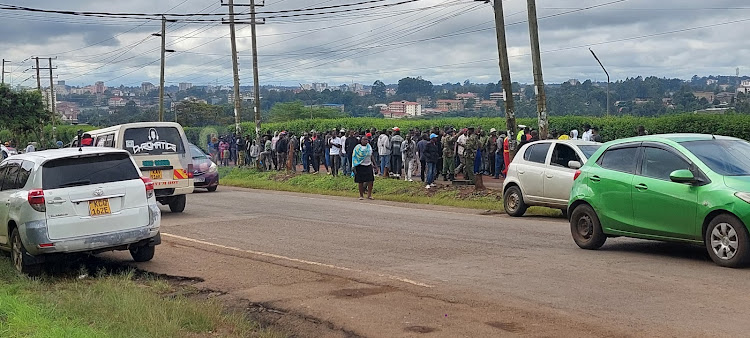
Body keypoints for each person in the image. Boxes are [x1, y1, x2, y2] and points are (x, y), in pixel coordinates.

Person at [352, 135, 375, 200]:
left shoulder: (369, 147)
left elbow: (371, 155)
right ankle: (361, 195)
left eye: (367, 140)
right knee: (360, 181)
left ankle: (369, 195)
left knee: (371, 180)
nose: (366, 141)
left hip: (368, 165)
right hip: (360, 165)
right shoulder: (357, 148)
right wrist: (354, 166)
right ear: (361, 140)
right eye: (364, 140)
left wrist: (375, 164)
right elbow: (354, 157)